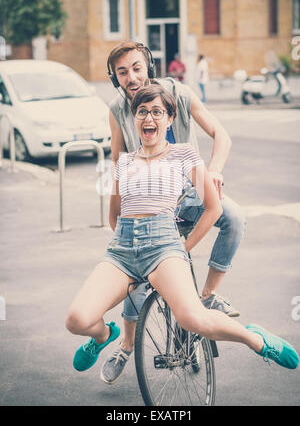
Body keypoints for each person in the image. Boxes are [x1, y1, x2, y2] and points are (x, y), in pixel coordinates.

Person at [65, 84, 299, 384]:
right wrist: (128, 248)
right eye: (142, 111)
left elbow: (212, 208)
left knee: (192, 319)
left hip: (164, 248)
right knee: (77, 320)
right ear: (134, 118)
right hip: (122, 251)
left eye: (157, 112)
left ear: (169, 118)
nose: (149, 118)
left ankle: (256, 339)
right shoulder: (123, 162)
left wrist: (182, 246)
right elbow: (115, 215)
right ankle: (102, 337)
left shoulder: (183, 155)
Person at [102, 40, 245, 384]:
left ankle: (207, 296)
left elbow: (221, 135)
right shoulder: (116, 109)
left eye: (136, 67)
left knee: (233, 218)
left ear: (147, 66)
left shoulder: (177, 93)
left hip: (191, 196)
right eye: (123, 72)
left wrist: (214, 170)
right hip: (150, 206)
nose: (131, 76)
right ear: (115, 78)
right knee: (135, 274)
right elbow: (116, 159)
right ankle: (125, 344)